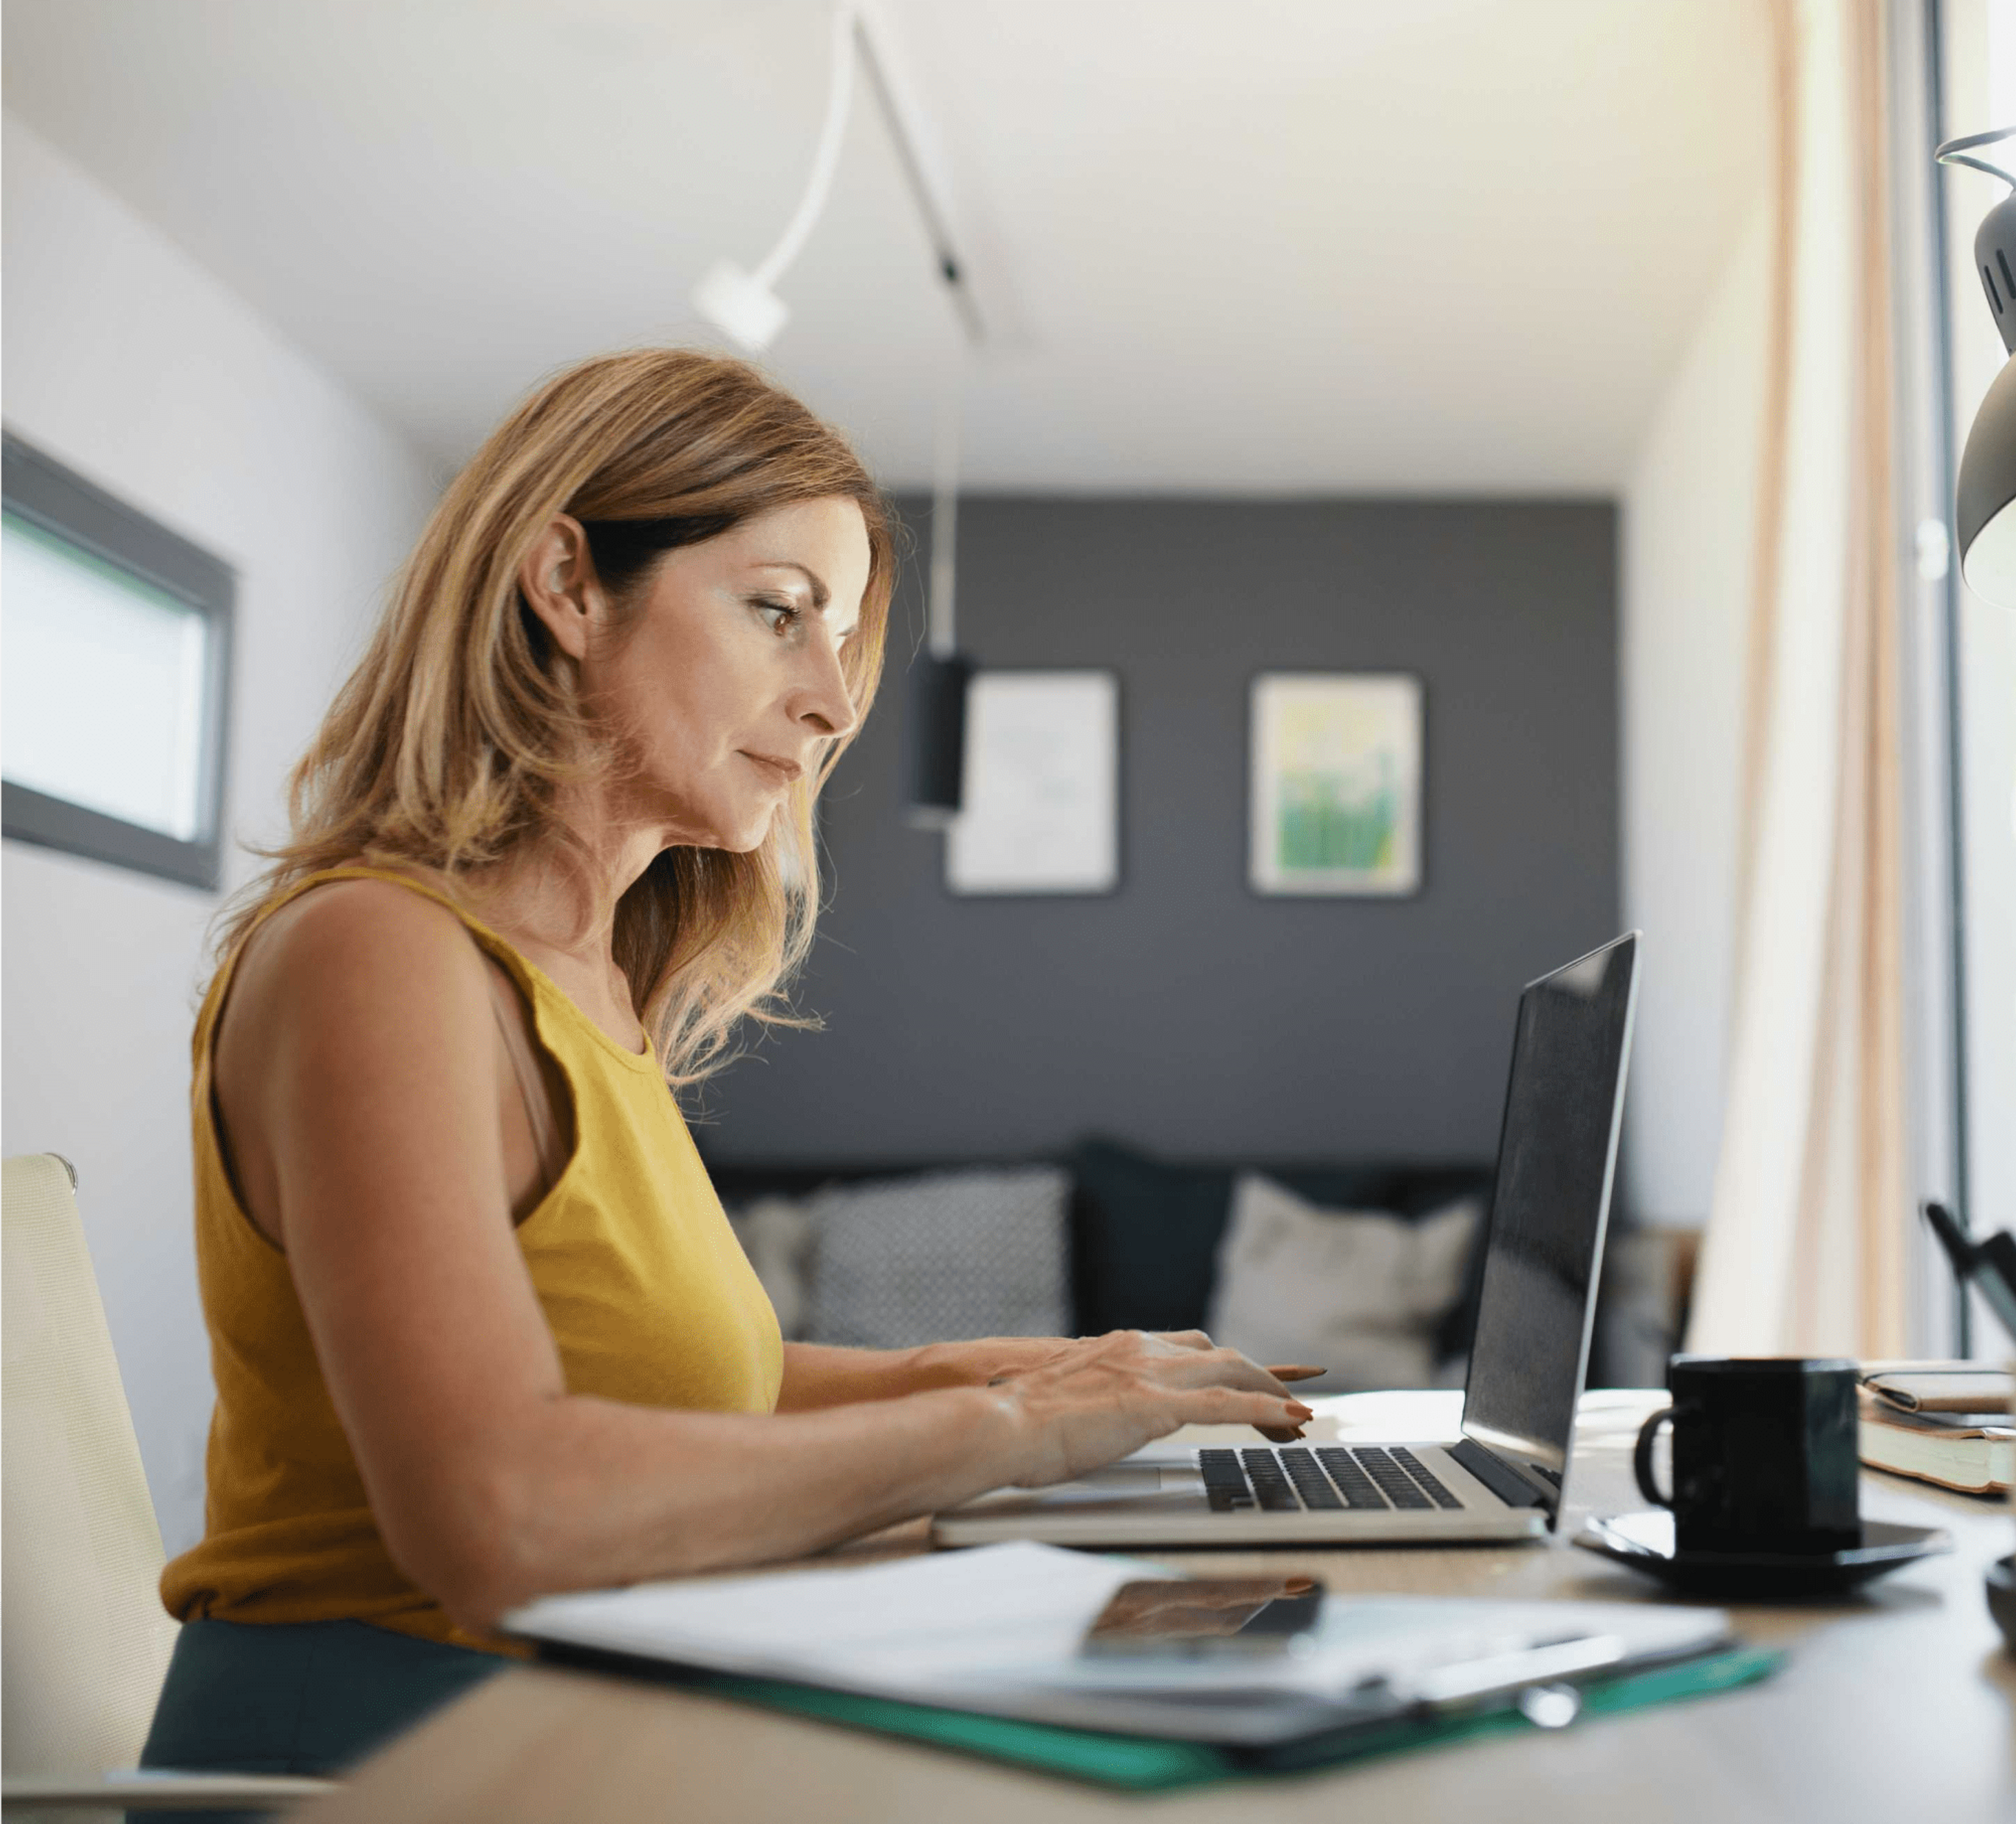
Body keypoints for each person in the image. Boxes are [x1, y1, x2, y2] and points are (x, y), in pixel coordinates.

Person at [138, 349, 1311, 1780]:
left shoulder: (594, 986)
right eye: (778, 613)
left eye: (845, 637)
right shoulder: (378, 952)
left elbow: (654, 1386)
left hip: (599, 1711)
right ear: (568, 585)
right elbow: (503, 1518)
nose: (831, 702)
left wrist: (1013, 1370)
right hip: (399, 1756)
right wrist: (999, 1426)